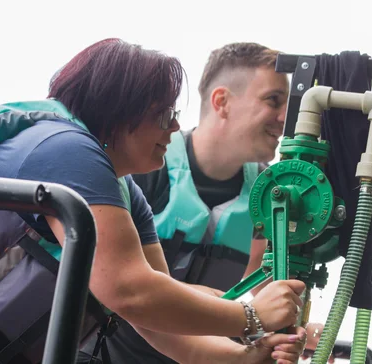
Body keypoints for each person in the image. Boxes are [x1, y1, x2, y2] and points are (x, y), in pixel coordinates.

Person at [0, 38, 308, 364]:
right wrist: (251, 318)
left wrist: (249, 350)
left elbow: (155, 302)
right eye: (163, 114)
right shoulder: (66, 150)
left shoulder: (121, 192)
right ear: (121, 111)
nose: (176, 128)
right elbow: (128, 292)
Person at [81, 42, 331, 363]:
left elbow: (260, 282)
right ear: (222, 102)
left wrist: (294, 331)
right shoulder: (142, 169)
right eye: (273, 100)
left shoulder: (270, 192)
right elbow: (128, 290)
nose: (285, 117)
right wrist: (251, 319)